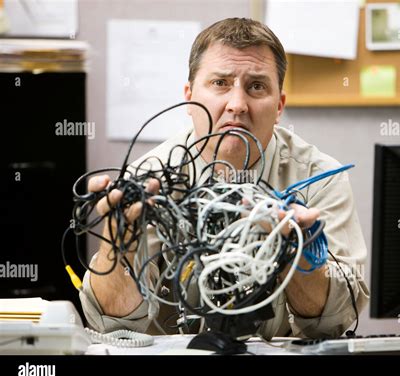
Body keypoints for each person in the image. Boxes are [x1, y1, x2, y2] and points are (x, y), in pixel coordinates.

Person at [80, 18, 369, 339]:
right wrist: (115, 248)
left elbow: (334, 323)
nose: (237, 104)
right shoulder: (148, 181)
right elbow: (112, 326)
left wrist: (294, 251)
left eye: (257, 86)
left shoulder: (318, 180)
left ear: (279, 106)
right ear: (189, 97)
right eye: (220, 83)